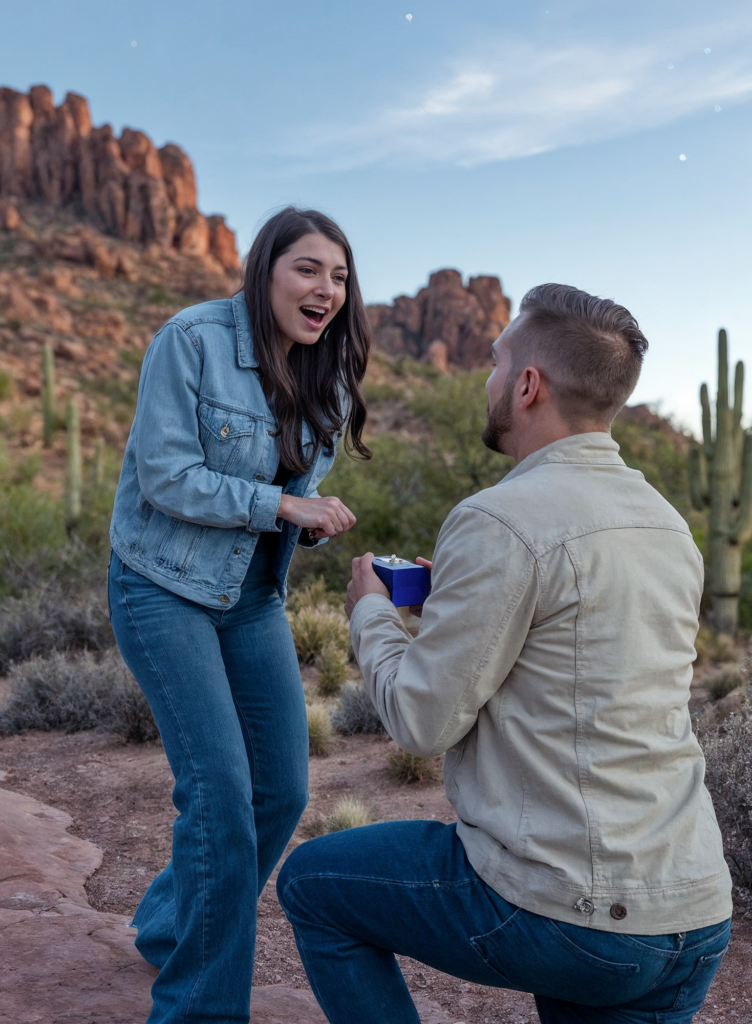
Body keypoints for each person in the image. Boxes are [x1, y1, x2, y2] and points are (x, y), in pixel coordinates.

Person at [277, 284, 733, 1024]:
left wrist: (370, 608)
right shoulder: (665, 523)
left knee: (313, 884)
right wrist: (445, 602)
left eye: (494, 364)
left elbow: (420, 723)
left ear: (527, 386)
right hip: (690, 908)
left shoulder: (498, 518)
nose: (484, 380)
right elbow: (574, 649)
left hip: (567, 913)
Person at [107, 206, 371, 1024]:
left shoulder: (323, 370)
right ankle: (199, 1010)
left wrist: (315, 518)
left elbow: (290, 495)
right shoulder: (190, 338)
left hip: (250, 598)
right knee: (219, 793)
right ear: (265, 270)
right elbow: (167, 477)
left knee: (282, 791)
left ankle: (167, 923)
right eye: (307, 268)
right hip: (161, 585)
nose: (325, 288)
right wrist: (287, 508)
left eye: (338, 275)